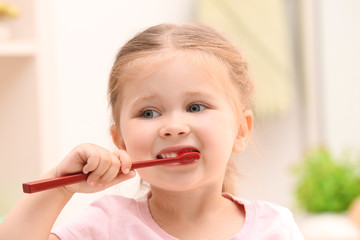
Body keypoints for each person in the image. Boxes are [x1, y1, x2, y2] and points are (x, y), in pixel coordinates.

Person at [0, 23, 304, 239]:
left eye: (196, 106)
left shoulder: (275, 228)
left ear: (240, 130)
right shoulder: (106, 225)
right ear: (121, 141)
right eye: (148, 113)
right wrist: (60, 185)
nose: (173, 127)